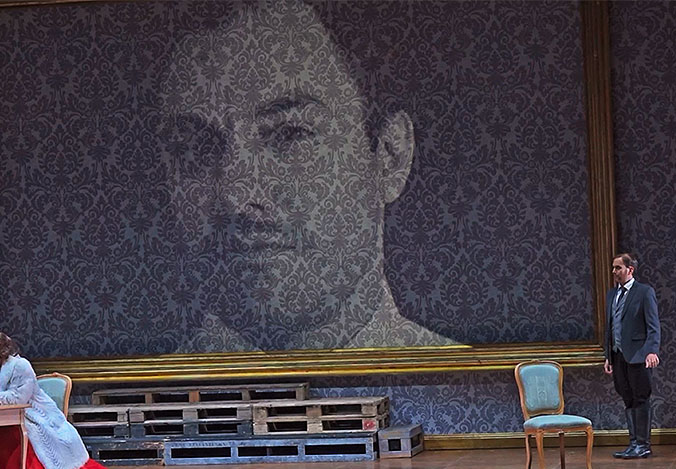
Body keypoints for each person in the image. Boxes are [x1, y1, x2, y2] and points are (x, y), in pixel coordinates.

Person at [157, 1, 458, 353]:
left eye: (291, 134)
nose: (236, 197)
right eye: (194, 146)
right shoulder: (140, 381)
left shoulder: (471, 379)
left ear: (390, 155)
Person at [0, 332, 126, 469]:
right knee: (1, 436)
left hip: (34, 411)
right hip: (9, 413)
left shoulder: (21, 365)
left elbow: (20, 397)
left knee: (21, 434)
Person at [603, 253, 661, 459]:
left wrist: (652, 350)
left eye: (618, 268)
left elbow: (653, 325)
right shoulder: (612, 294)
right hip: (618, 355)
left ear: (630, 269)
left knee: (641, 398)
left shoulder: (644, 292)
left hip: (638, 354)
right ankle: (633, 442)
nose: (614, 272)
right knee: (627, 398)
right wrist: (608, 355)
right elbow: (610, 326)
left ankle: (643, 444)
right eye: (613, 268)